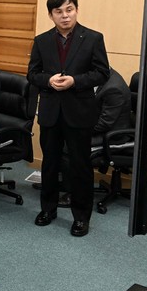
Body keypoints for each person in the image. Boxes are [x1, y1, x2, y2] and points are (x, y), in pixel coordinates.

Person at [27, 0, 109, 237]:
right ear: (50, 15)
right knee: (50, 165)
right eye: (58, 11)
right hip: (51, 112)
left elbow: (102, 73)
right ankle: (48, 209)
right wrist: (48, 80)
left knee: (80, 167)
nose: (65, 16)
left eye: (69, 9)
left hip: (79, 112)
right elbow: (32, 74)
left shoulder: (93, 38)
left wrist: (75, 80)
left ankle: (81, 217)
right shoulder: (41, 41)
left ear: (76, 10)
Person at [58, 67, 132, 207]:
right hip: (99, 129)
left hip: (113, 137)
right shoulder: (99, 78)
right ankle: (66, 183)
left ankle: (75, 195)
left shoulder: (113, 88)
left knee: (70, 147)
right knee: (58, 138)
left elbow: (105, 123)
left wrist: (77, 127)